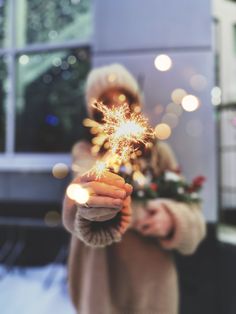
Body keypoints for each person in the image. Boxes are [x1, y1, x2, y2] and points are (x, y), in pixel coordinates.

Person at [63, 64, 206, 314]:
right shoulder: (86, 153)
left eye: (121, 98)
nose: (115, 108)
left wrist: (172, 218)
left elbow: (194, 217)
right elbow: (80, 205)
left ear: (135, 102)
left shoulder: (159, 154)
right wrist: (98, 204)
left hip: (154, 288)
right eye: (104, 101)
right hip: (102, 283)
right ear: (93, 109)